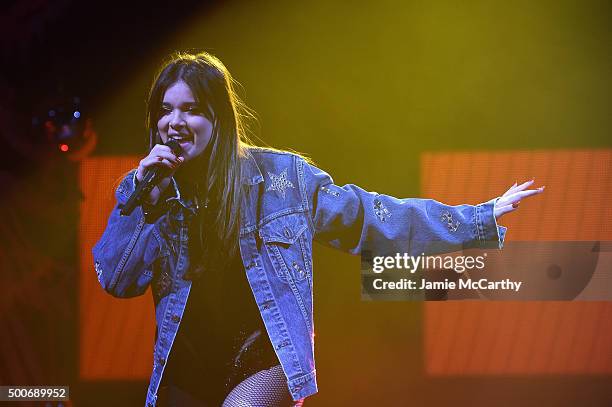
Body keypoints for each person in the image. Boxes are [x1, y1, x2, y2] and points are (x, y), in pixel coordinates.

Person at [92, 51, 544, 407]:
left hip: (264, 358)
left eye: (191, 110)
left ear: (217, 120)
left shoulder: (281, 179)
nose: (175, 122)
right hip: (188, 368)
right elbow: (116, 279)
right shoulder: (148, 192)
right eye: (166, 110)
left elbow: (370, 216)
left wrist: (478, 217)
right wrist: (145, 204)